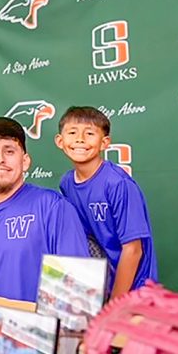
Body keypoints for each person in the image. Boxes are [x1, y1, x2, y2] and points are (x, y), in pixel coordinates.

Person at [0, 117, 90, 302]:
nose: (0, 160)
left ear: (25, 161)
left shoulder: (52, 206)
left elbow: (78, 286)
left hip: (35, 328)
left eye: (9, 151)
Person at [54, 106, 158, 299]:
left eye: (90, 133)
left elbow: (133, 250)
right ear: (60, 141)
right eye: (72, 132)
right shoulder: (67, 183)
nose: (80, 139)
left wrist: (115, 303)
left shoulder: (118, 184)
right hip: (99, 286)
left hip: (135, 290)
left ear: (105, 143)